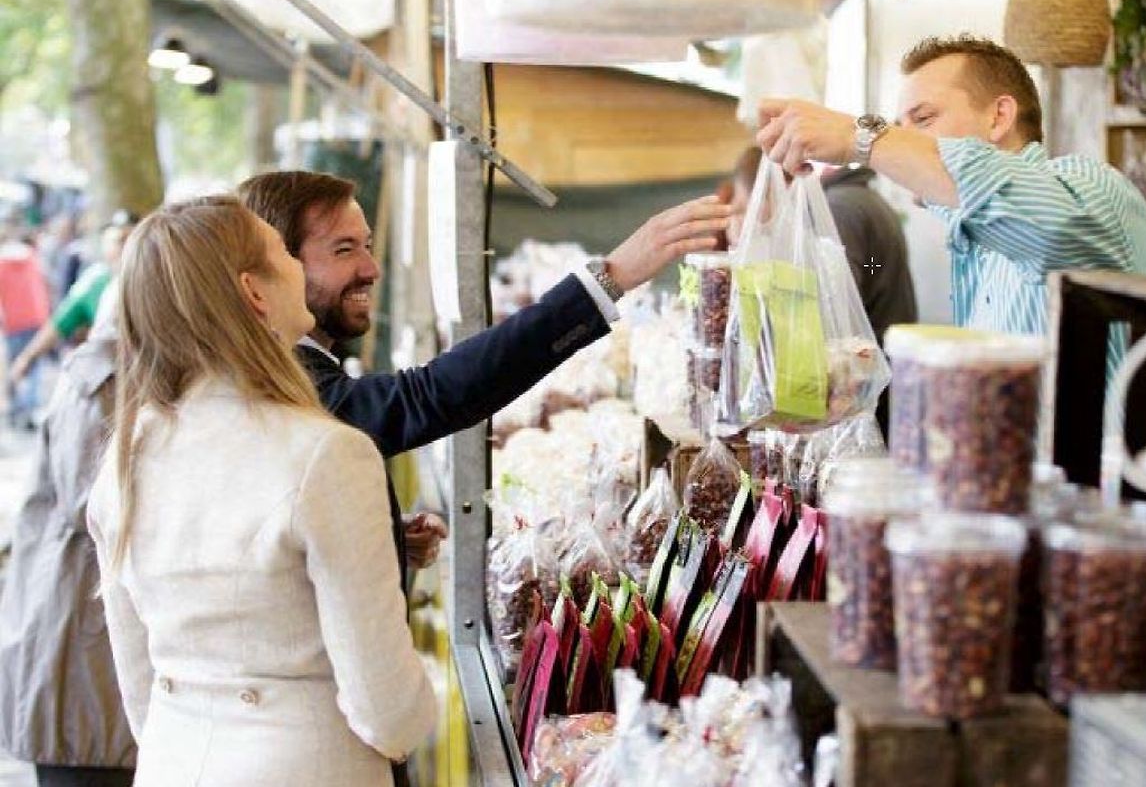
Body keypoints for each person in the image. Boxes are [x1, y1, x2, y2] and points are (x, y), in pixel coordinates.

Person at [86, 196, 435, 786]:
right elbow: (388, 710)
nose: (298, 266)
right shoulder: (327, 454)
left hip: (173, 763)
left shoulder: (126, 458)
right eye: (282, 252)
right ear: (254, 292)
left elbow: (139, 684)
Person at [238, 171, 730, 585]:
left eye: (367, 245)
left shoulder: (285, 372)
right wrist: (609, 278)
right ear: (272, 274)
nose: (371, 268)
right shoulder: (284, 380)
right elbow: (427, 396)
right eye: (344, 249)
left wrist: (379, 534)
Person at [756, 34, 1146, 340]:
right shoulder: (972, 241)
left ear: (998, 117)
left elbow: (1051, 227)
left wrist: (857, 136)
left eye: (923, 119)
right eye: (902, 128)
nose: (908, 142)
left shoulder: (1091, 184)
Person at [0, 288, 135, 787]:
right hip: (82, 670)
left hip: (90, 670)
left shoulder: (117, 372)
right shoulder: (104, 377)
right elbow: (93, 504)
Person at [728, 145, 918, 347]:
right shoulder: (859, 198)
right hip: (889, 353)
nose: (742, 221)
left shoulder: (840, 210)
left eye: (742, 208)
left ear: (773, 189)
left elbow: (832, 309)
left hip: (874, 367)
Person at [10, 214, 137, 385]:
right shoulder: (95, 281)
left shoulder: (157, 280)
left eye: (129, 238)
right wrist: (27, 357)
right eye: (118, 240)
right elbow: (60, 323)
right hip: (113, 379)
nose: (123, 247)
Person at [0, 229, 51, 428]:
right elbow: (43, 288)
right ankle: (29, 408)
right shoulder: (33, 260)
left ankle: (15, 408)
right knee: (33, 367)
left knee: (15, 365)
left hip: (13, 322)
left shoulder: (2, 264)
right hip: (36, 319)